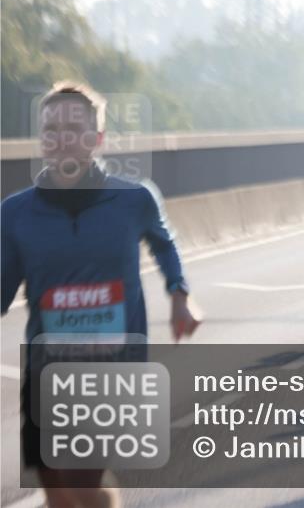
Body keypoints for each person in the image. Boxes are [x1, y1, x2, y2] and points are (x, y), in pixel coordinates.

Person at [2, 82, 201, 507]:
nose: (62, 137)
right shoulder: (15, 214)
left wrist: (179, 293)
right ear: (42, 140)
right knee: (57, 490)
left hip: (114, 367)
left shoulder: (133, 199)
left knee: (79, 479)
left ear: (98, 139)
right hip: (46, 368)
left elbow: (164, 242)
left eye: (74, 127)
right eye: (51, 128)